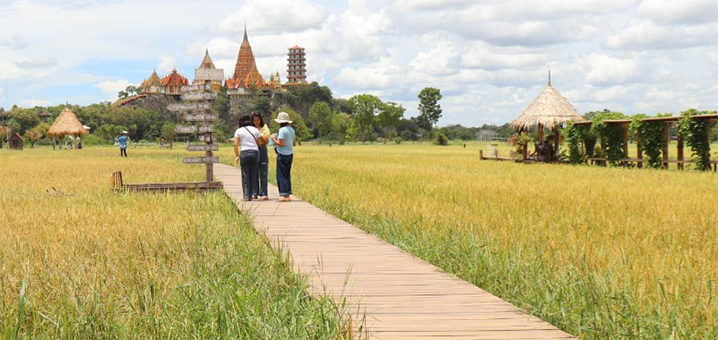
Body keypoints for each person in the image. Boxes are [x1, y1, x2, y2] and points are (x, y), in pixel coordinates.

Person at [270, 111, 297, 202]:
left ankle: (284, 195)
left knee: (281, 174)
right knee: (287, 174)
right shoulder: (291, 130)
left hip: (282, 154)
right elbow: (294, 143)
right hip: (290, 154)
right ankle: (287, 193)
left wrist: (273, 139)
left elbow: (281, 144)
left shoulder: (282, 130)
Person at [233, 115, 261, 201]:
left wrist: (237, 156)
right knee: (253, 174)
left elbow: (235, 144)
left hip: (244, 152)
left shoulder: (238, 131)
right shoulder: (255, 130)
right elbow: (259, 143)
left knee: (245, 174)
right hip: (254, 152)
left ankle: (246, 196)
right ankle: (251, 195)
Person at [251, 112, 270, 200]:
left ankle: (264, 193)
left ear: (260, 120)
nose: (256, 122)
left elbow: (266, 140)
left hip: (262, 149)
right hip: (254, 149)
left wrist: (258, 136)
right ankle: (255, 192)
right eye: (254, 120)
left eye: (258, 120)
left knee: (263, 171)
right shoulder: (250, 128)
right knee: (254, 171)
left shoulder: (264, 127)